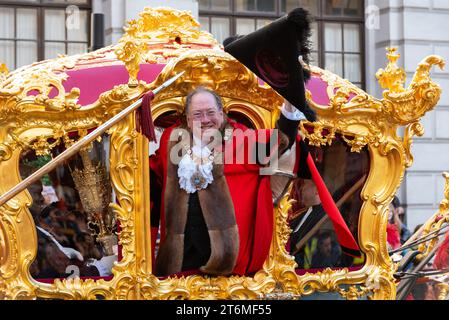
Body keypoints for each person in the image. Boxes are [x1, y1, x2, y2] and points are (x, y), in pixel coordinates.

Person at [149, 8, 359, 277]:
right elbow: (150, 177)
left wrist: (291, 106)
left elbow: (279, 141)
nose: (205, 120)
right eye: (197, 115)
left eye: (210, 113)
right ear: (187, 120)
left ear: (222, 114)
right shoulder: (171, 140)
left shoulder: (240, 140)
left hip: (224, 265)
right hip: (177, 263)